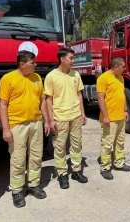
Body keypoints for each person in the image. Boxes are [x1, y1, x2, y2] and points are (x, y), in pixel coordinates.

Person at [0, 50, 50, 208]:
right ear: (22, 64)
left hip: (36, 123)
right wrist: (6, 129)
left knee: (36, 156)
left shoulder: (37, 78)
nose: (36, 64)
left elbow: (42, 101)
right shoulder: (8, 79)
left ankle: (33, 185)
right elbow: (2, 105)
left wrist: (46, 120)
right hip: (17, 125)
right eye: (32, 63)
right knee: (18, 159)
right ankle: (17, 190)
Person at [44, 48, 88, 189]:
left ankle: (76, 170)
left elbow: (79, 95)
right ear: (62, 59)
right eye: (71, 58)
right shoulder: (51, 76)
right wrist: (51, 120)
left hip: (75, 115)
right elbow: (48, 100)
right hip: (60, 117)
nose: (73, 61)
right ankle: (62, 174)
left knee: (76, 145)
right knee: (60, 147)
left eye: (73, 58)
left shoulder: (76, 75)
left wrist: (82, 113)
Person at [97, 57, 130, 180]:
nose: (125, 68)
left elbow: (122, 95)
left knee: (120, 142)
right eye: (123, 66)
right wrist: (105, 116)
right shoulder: (103, 78)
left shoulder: (121, 78)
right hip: (109, 118)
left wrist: (125, 110)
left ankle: (119, 163)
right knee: (107, 143)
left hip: (120, 117)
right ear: (116, 67)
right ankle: (105, 167)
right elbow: (100, 99)